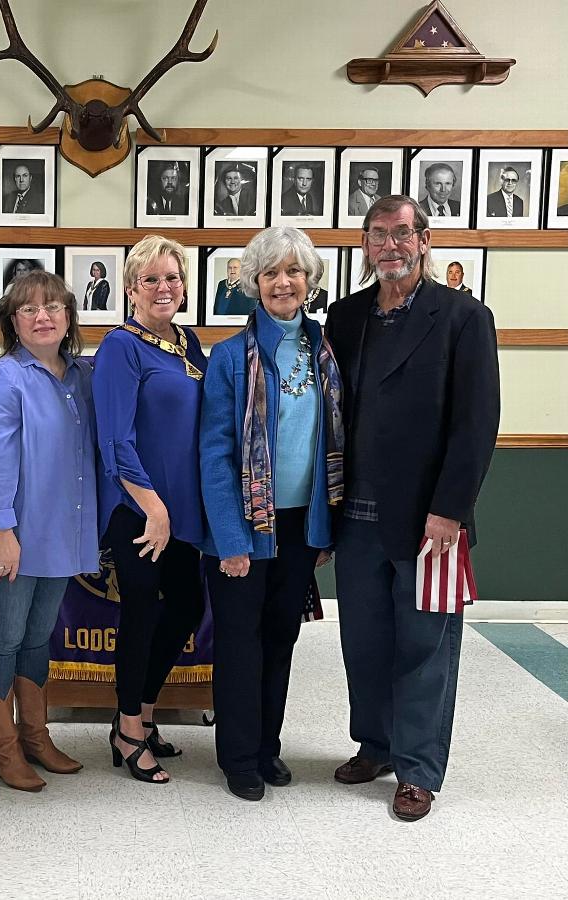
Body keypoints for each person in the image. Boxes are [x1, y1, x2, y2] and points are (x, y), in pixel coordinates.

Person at [325, 195, 500, 821]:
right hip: (357, 519)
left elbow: (476, 424)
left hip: (431, 523)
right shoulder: (344, 319)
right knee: (364, 643)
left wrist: (450, 510)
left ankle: (419, 769)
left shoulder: (462, 317)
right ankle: (375, 746)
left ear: (424, 241)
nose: (390, 246)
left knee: (425, 647)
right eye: (378, 235)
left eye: (403, 233)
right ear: (364, 245)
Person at [200, 226, 343, 801]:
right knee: (239, 641)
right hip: (244, 526)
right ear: (254, 284)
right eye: (270, 273)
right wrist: (230, 538)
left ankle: (267, 746)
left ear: (310, 280)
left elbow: (333, 441)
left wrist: (326, 527)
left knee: (281, 636)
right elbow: (214, 452)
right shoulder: (231, 357)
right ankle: (237, 756)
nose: (283, 282)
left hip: (301, 523)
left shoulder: (327, 350)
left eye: (294, 271)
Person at [0, 270, 96, 791]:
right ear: (12, 321)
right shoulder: (4, 379)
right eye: (28, 309)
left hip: (61, 533)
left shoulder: (79, 376)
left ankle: (35, 736)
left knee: (39, 638)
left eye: (53, 307)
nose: (42, 317)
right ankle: (3, 749)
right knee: (5, 636)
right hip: (14, 537)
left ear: (68, 316)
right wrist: (1, 529)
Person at [93, 234, 208, 785]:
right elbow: (115, 440)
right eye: (151, 279)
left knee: (185, 608)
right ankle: (128, 731)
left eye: (172, 277)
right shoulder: (121, 346)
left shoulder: (188, 342)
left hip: (186, 510)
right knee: (142, 615)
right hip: (138, 510)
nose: (163, 287)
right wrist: (153, 508)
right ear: (131, 289)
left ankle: (142, 710)